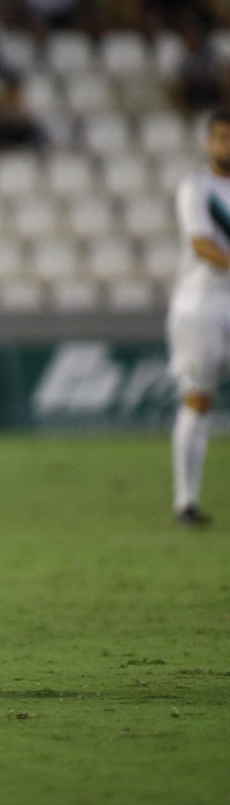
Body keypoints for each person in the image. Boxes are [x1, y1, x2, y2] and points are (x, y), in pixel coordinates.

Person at [166, 108, 230, 528]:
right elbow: (202, 244)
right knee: (198, 398)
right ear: (208, 142)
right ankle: (186, 501)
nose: (226, 145)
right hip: (201, 308)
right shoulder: (197, 187)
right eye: (221, 137)